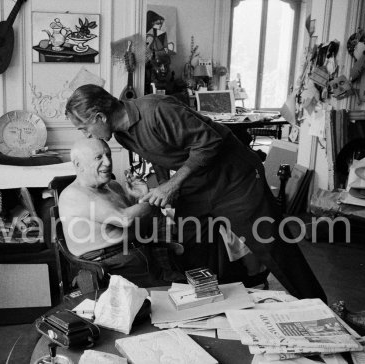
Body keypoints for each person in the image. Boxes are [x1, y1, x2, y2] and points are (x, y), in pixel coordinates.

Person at [65, 84, 326, 301]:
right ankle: (215, 307)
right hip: (197, 186)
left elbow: (211, 142)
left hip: (235, 181)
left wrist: (173, 184)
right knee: (192, 250)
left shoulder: (157, 110)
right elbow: (163, 158)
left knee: (272, 247)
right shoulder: (122, 136)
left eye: (84, 128)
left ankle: (319, 307)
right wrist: (165, 188)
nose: (86, 134)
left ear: (99, 117)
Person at [59, 138, 171, 286]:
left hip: (138, 253)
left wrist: (143, 195)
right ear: (78, 165)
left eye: (108, 155)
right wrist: (153, 199)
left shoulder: (113, 185)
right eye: (98, 157)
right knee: (174, 295)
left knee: (186, 286)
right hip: (110, 267)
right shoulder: (74, 194)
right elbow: (124, 219)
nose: (108, 162)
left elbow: (139, 222)